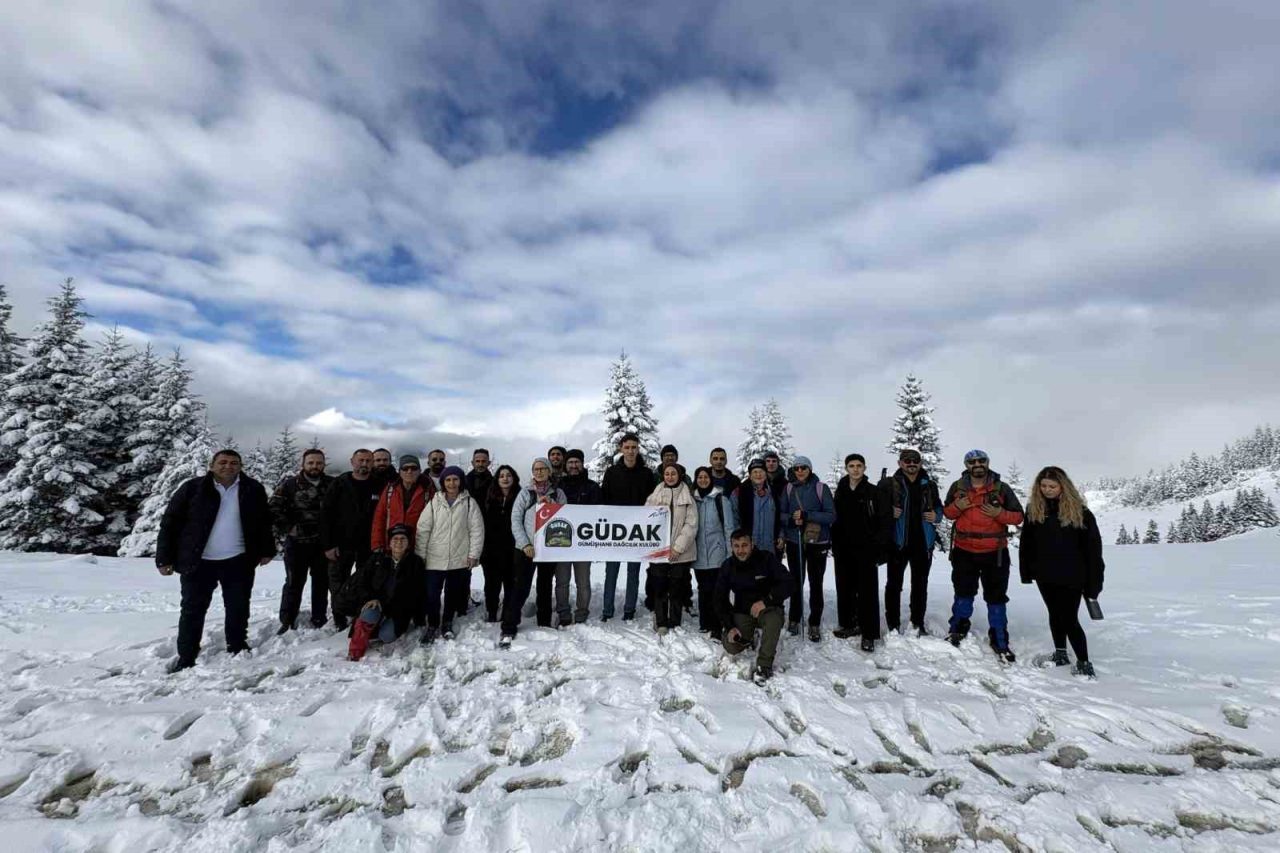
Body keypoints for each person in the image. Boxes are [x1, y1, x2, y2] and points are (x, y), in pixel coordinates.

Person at [156, 449, 276, 673]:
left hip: (238, 559)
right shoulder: (192, 488)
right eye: (222, 462)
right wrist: (164, 557)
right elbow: (170, 522)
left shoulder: (252, 489)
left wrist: (267, 549)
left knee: (238, 607)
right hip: (198, 561)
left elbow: (263, 522)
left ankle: (237, 645)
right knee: (192, 609)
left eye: (234, 463)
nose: (228, 466)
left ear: (240, 466)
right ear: (211, 465)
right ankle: (187, 655)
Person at [1019, 466, 1103, 678]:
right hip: (1045, 575)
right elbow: (1026, 544)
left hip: (1072, 575)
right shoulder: (1034, 510)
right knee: (1054, 614)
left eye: (1052, 486)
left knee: (1069, 618)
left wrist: (1094, 584)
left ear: (1063, 487)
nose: (1047, 490)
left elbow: (1093, 551)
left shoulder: (1081, 513)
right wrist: (1027, 571)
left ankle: (1084, 663)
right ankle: (1061, 653)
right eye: (1044, 486)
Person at [943, 450, 1025, 662]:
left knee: (996, 597)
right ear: (967, 465)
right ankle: (958, 629)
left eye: (981, 461)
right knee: (963, 592)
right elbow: (947, 513)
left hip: (994, 552)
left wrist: (999, 514)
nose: (977, 464)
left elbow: (1018, 517)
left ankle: (999, 638)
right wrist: (956, 507)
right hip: (964, 550)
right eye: (972, 462)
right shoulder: (957, 487)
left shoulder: (1002, 488)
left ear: (987, 463)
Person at [502, 458, 568, 645]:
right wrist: (524, 544)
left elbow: (566, 516)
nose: (539, 472)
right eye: (535, 469)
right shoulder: (526, 493)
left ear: (549, 471)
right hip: (526, 549)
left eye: (542, 469)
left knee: (545, 586)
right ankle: (509, 626)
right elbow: (515, 520)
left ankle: (544, 622)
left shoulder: (558, 493)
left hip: (548, 548)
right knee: (520, 587)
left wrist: (550, 506)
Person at [415, 466, 484, 642]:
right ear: (443, 483)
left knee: (452, 594)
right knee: (432, 595)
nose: (452, 483)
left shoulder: (469, 503)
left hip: (458, 559)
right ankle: (432, 625)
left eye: (455, 479)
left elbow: (477, 530)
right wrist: (420, 556)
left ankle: (446, 624)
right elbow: (423, 530)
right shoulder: (434, 502)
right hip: (434, 558)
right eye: (448, 480)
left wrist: (473, 554)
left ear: (461, 481)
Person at [270, 448, 334, 633]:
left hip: (323, 544)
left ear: (324, 464)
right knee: (293, 582)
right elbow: (273, 509)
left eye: (319, 463)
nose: (315, 466)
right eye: (311, 463)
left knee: (321, 582)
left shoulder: (332, 484)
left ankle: (319, 617)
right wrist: (288, 527)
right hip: (297, 544)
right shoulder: (290, 485)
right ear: (303, 464)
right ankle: (287, 620)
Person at [881, 448, 944, 636]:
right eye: (906, 460)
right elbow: (877, 507)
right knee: (893, 585)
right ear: (900, 463)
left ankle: (917, 622)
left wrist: (937, 516)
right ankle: (893, 624)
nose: (911, 463)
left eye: (915, 460)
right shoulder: (889, 484)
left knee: (920, 585)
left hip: (923, 544)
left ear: (920, 463)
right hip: (897, 543)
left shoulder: (929, 485)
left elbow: (939, 508)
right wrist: (889, 512)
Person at [831, 454, 891, 651]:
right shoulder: (840, 491)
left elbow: (884, 521)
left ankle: (869, 633)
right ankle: (849, 624)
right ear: (846, 468)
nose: (855, 469)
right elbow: (835, 519)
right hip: (843, 548)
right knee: (845, 588)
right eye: (851, 466)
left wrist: (879, 548)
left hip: (866, 548)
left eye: (859, 466)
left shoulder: (873, 491)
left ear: (864, 468)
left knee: (867, 591)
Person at [716, 530, 793, 682]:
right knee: (731, 646)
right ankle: (749, 637)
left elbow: (789, 583)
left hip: (769, 608)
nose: (740, 550)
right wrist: (729, 626)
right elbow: (719, 599)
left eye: (744, 545)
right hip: (743, 612)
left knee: (773, 622)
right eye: (736, 546)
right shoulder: (728, 566)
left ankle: (764, 665)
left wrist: (766, 601)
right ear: (731, 547)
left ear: (752, 544)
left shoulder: (766, 559)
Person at [343, 524, 427, 661]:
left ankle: (379, 627)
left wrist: (417, 617)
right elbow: (361, 582)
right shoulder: (377, 560)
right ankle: (356, 650)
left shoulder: (415, 563)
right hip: (376, 603)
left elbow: (417, 593)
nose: (399, 542)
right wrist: (369, 598)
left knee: (386, 636)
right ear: (389, 542)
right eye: (395, 539)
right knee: (370, 613)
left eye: (403, 539)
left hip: (398, 611)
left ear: (408, 542)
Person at [321, 448, 381, 631]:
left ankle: (359, 615)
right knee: (338, 582)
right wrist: (328, 545)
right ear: (352, 461)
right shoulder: (339, 484)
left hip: (368, 545)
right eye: (361, 460)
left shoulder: (378, 484)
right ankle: (339, 617)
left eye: (368, 461)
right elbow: (326, 515)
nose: (364, 464)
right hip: (341, 544)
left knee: (366, 582)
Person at [780, 455, 836, 642]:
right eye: (797, 468)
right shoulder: (788, 489)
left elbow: (831, 516)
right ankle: (795, 618)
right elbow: (781, 514)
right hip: (795, 541)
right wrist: (790, 519)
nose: (800, 471)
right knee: (796, 582)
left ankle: (814, 622)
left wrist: (807, 515)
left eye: (804, 468)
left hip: (817, 542)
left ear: (810, 469)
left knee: (816, 582)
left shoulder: (821, 488)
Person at [599, 433, 652, 621]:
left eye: (634, 447)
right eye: (627, 447)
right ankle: (607, 610)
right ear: (621, 448)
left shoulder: (646, 474)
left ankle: (629, 609)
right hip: (615, 531)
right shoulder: (612, 472)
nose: (630, 451)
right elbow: (604, 498)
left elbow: (651, 501)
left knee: (633, 572)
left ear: (638, 449)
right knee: (611, 571)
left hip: (636, 532)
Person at [645, 463, 699, 634]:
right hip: (659, 551)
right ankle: (661, 621)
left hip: (680, 553)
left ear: (679, 475)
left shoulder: (687, 496)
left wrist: (678, 548)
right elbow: (646, 518)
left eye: (673, 473)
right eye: (667, 474)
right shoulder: (656, 493)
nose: (670, 477)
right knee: (659, 587)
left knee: (676, 588)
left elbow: (691, 525)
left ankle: (675, 621)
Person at [556, 449, 601, 625]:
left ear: (582, 464)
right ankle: (563, 612)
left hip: (583, 543)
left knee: (583, 582)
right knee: (562, 581)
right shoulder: (558, 487)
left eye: (577, 462)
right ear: (566, 466)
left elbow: (599, 513)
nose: (574, 465)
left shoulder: (592, 487)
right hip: (562, 542)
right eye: (570, 463)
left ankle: (582, 612)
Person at [692, 465, 737, 637]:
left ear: (711, 479)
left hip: (717, 552)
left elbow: (729, 528)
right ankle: (705, 622)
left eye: (706, 477)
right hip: (699, 554)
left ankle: (719, 623)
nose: (703, 480)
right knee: (703, 589)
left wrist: (729, 553)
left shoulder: (720, 500)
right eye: (700, 477)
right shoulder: (693, 501)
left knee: (718, 591)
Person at [480, 464, 520, 622]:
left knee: (510, 581)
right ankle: (491, 610)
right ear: (497, 479)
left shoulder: (521, 496)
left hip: (513, 547)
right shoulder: (488, 497)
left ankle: (507, 610)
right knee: (491, 583)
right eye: (501, 475)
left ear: (514, 478)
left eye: (508, 475)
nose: (505, 478)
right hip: (491, 548)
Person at [370, 454, 433, 552]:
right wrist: (377, 544)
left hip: (418, 545)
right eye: (405, 468)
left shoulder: (428, 491)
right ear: (399, 472)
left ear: (420, 471)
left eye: (414, 468)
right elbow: (379, 517)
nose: (409, 471)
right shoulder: (390, 490)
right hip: (393, 544)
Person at [732, 459, 785, 556]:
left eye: (761, 471)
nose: (758, 475)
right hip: (748, 547)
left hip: (770, 546)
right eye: (755, 472)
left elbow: (780, 516)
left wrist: (781, 535)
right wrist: (739, 540)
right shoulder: (739, 493)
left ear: (766, 473)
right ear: (750, 475)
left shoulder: (774, 493)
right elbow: (735, 518)